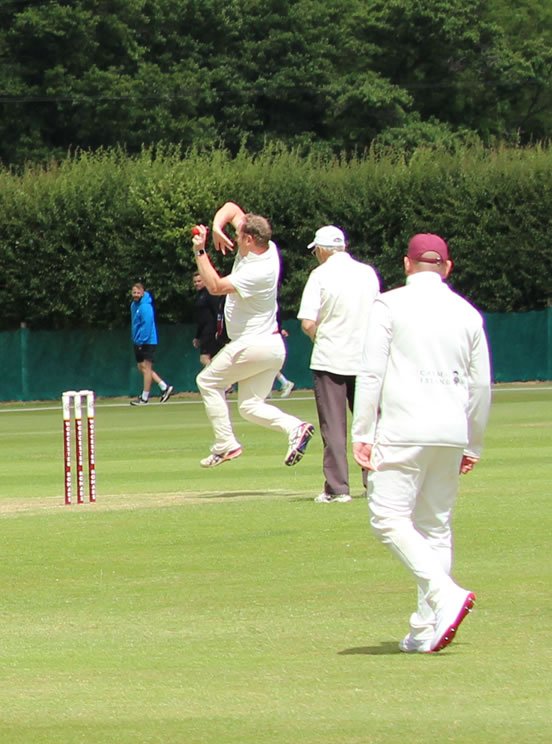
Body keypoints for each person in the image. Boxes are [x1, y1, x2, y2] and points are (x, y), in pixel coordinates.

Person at [351, 233, 489, 653]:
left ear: (407, 265)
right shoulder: (468, 313)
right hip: (450, 431)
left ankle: (444, 595)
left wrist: (361, 433)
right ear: (447, 267)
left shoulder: (389, 303)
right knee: (435, 526)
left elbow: (371, 373)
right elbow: (481, 385)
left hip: (403, 428)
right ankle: (426, 628)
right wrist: (473, 443)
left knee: (387, 518)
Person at [189, 208, 313, 469]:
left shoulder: (258, 271)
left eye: (237, 234)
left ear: (248, 239)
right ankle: (296, 428)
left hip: (254, 344)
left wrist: (201, 250)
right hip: (271, 346)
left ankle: (225, 444)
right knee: (249, 406)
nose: (234, 237)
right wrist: (217, 228)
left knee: (207, 381)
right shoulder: (267, 247)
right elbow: (232, 208)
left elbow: (215, 287)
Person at [296, 225, 380, 503]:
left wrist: (320, 335)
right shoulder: (368, 273)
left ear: (321, 250)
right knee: (370, 424)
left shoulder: (319, 275)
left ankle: (337, 489)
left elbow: (308, 322)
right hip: (367, 359)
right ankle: (377, 482)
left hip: (330, 358)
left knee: (333, 428)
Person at [128, 282, 172, 403]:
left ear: (143, 292)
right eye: (134, 292)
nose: (136, 294)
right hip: (138, 341)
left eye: (138, 292)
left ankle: (144, 397)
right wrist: (136, 340)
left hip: (147, 341)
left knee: (147, 368)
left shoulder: (146, 307)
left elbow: (147, 325)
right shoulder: (134, 305)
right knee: (141, 366)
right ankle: (164, 387)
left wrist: (142, 341)